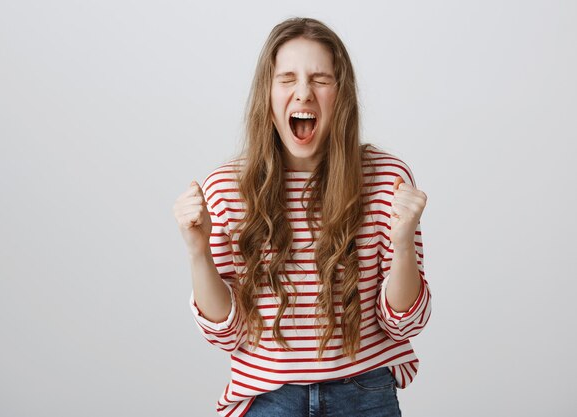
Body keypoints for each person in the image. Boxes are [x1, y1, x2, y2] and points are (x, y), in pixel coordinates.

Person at [173, 17, 431, 417]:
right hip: (267, 399)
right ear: (268, 93)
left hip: (365, 394)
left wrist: (402, 244)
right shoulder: (225, 189)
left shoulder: (386, 179)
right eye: (287, 78)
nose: (303, 93)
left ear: (341, 93)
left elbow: (404, 325)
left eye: (320, 79)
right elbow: (228, 333)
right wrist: (197, 251)